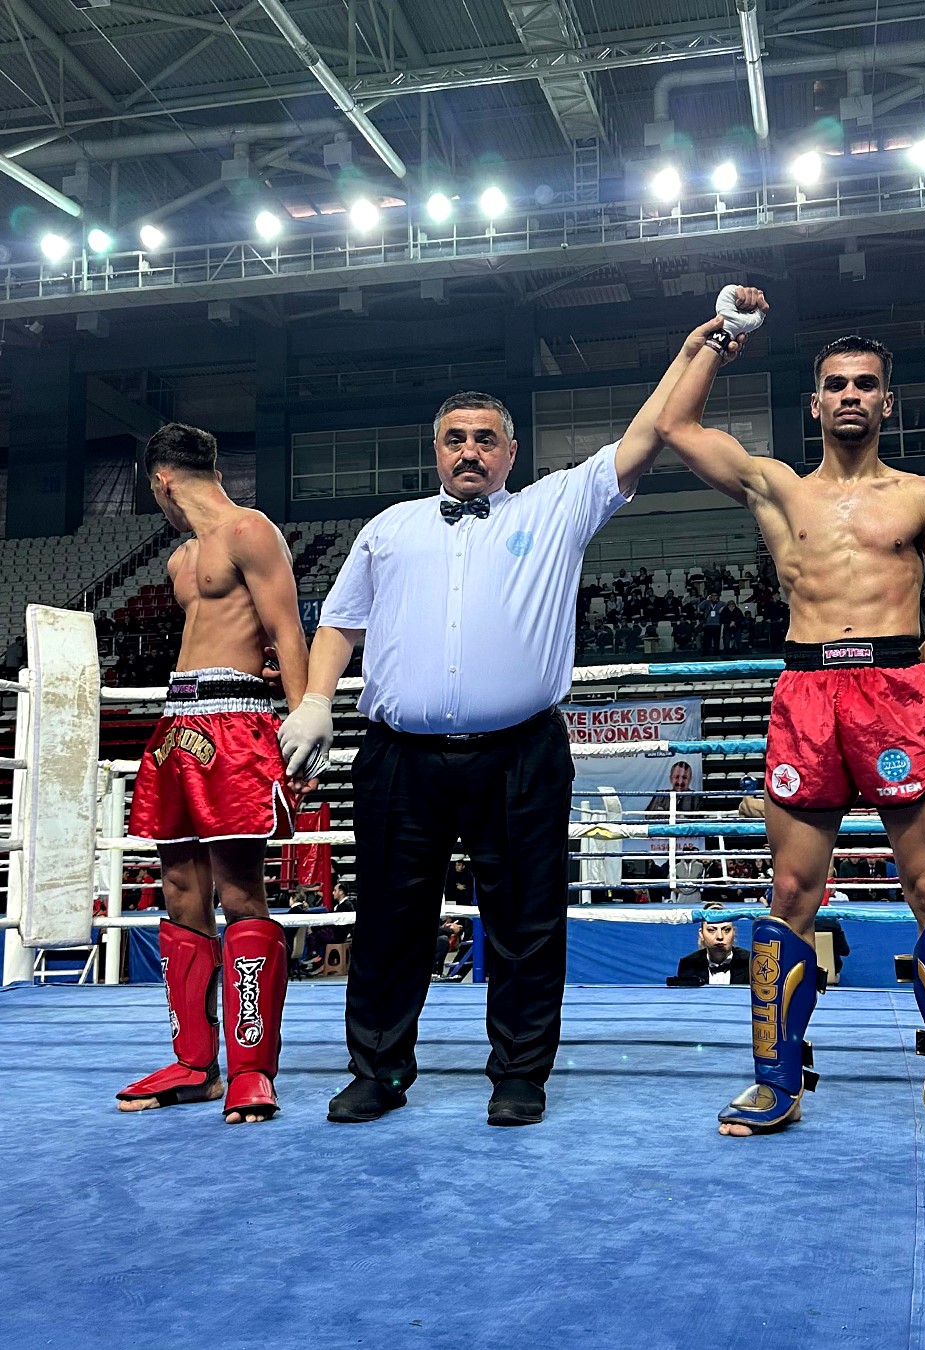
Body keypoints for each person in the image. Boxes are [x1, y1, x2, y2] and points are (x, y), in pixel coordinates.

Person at [277, 321, 752, 1129]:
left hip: (521, 754)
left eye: (485, 440)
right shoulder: (388, 529)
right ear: (436, 449)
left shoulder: (558, 506)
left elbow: (644, 436)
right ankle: (380, 1070)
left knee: (527, 923)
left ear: (510, 451)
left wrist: (697, 347)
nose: (470, 451)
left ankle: (520, 1075)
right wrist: (316, 699)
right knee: (390, 922)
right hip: (399, 758)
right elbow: (339, 626)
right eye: (455, 439)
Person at [657, 310, 925, 1149]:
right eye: (836, 385)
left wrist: (905, 674)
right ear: (814, 403)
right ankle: (777, 1083)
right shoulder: (779, 486)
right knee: (789, 895)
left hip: (893, 687)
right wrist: (714, 339)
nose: (851, 396)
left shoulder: (922, 496)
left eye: (866, 385)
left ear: (888, 402)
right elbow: (674, 425)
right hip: (807, 691)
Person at [116, 421, 309, 1125]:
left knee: (239, 888)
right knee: (178, 887)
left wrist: (300, 729)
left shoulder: (250, 531)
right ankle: (195, 1063)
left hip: (237, 722)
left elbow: (288, 633)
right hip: (178, 724)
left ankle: (252, 1070)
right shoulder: (178, 562)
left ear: (160, 481)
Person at [676, 906, 751, 985]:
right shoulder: (688, 964)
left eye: (726, 930)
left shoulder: (751, 962)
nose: (720, 937)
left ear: (734, 932)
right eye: (711, 930)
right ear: (701, 934)